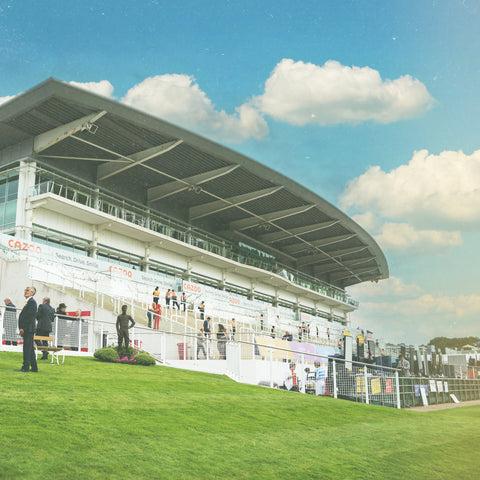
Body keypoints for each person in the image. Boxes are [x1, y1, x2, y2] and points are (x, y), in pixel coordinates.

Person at [16, 286, 38, 372]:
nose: (25, 291)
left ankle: (25, 367)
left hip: (28, 329)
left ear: (32, 293)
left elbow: (28, 317)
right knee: (29, 348)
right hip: (27, 328)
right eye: (25, 290)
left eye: (27, 290)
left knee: (26, 348)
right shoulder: (28, 302)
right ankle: (34, 368)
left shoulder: (32, 302)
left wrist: (23, 328)